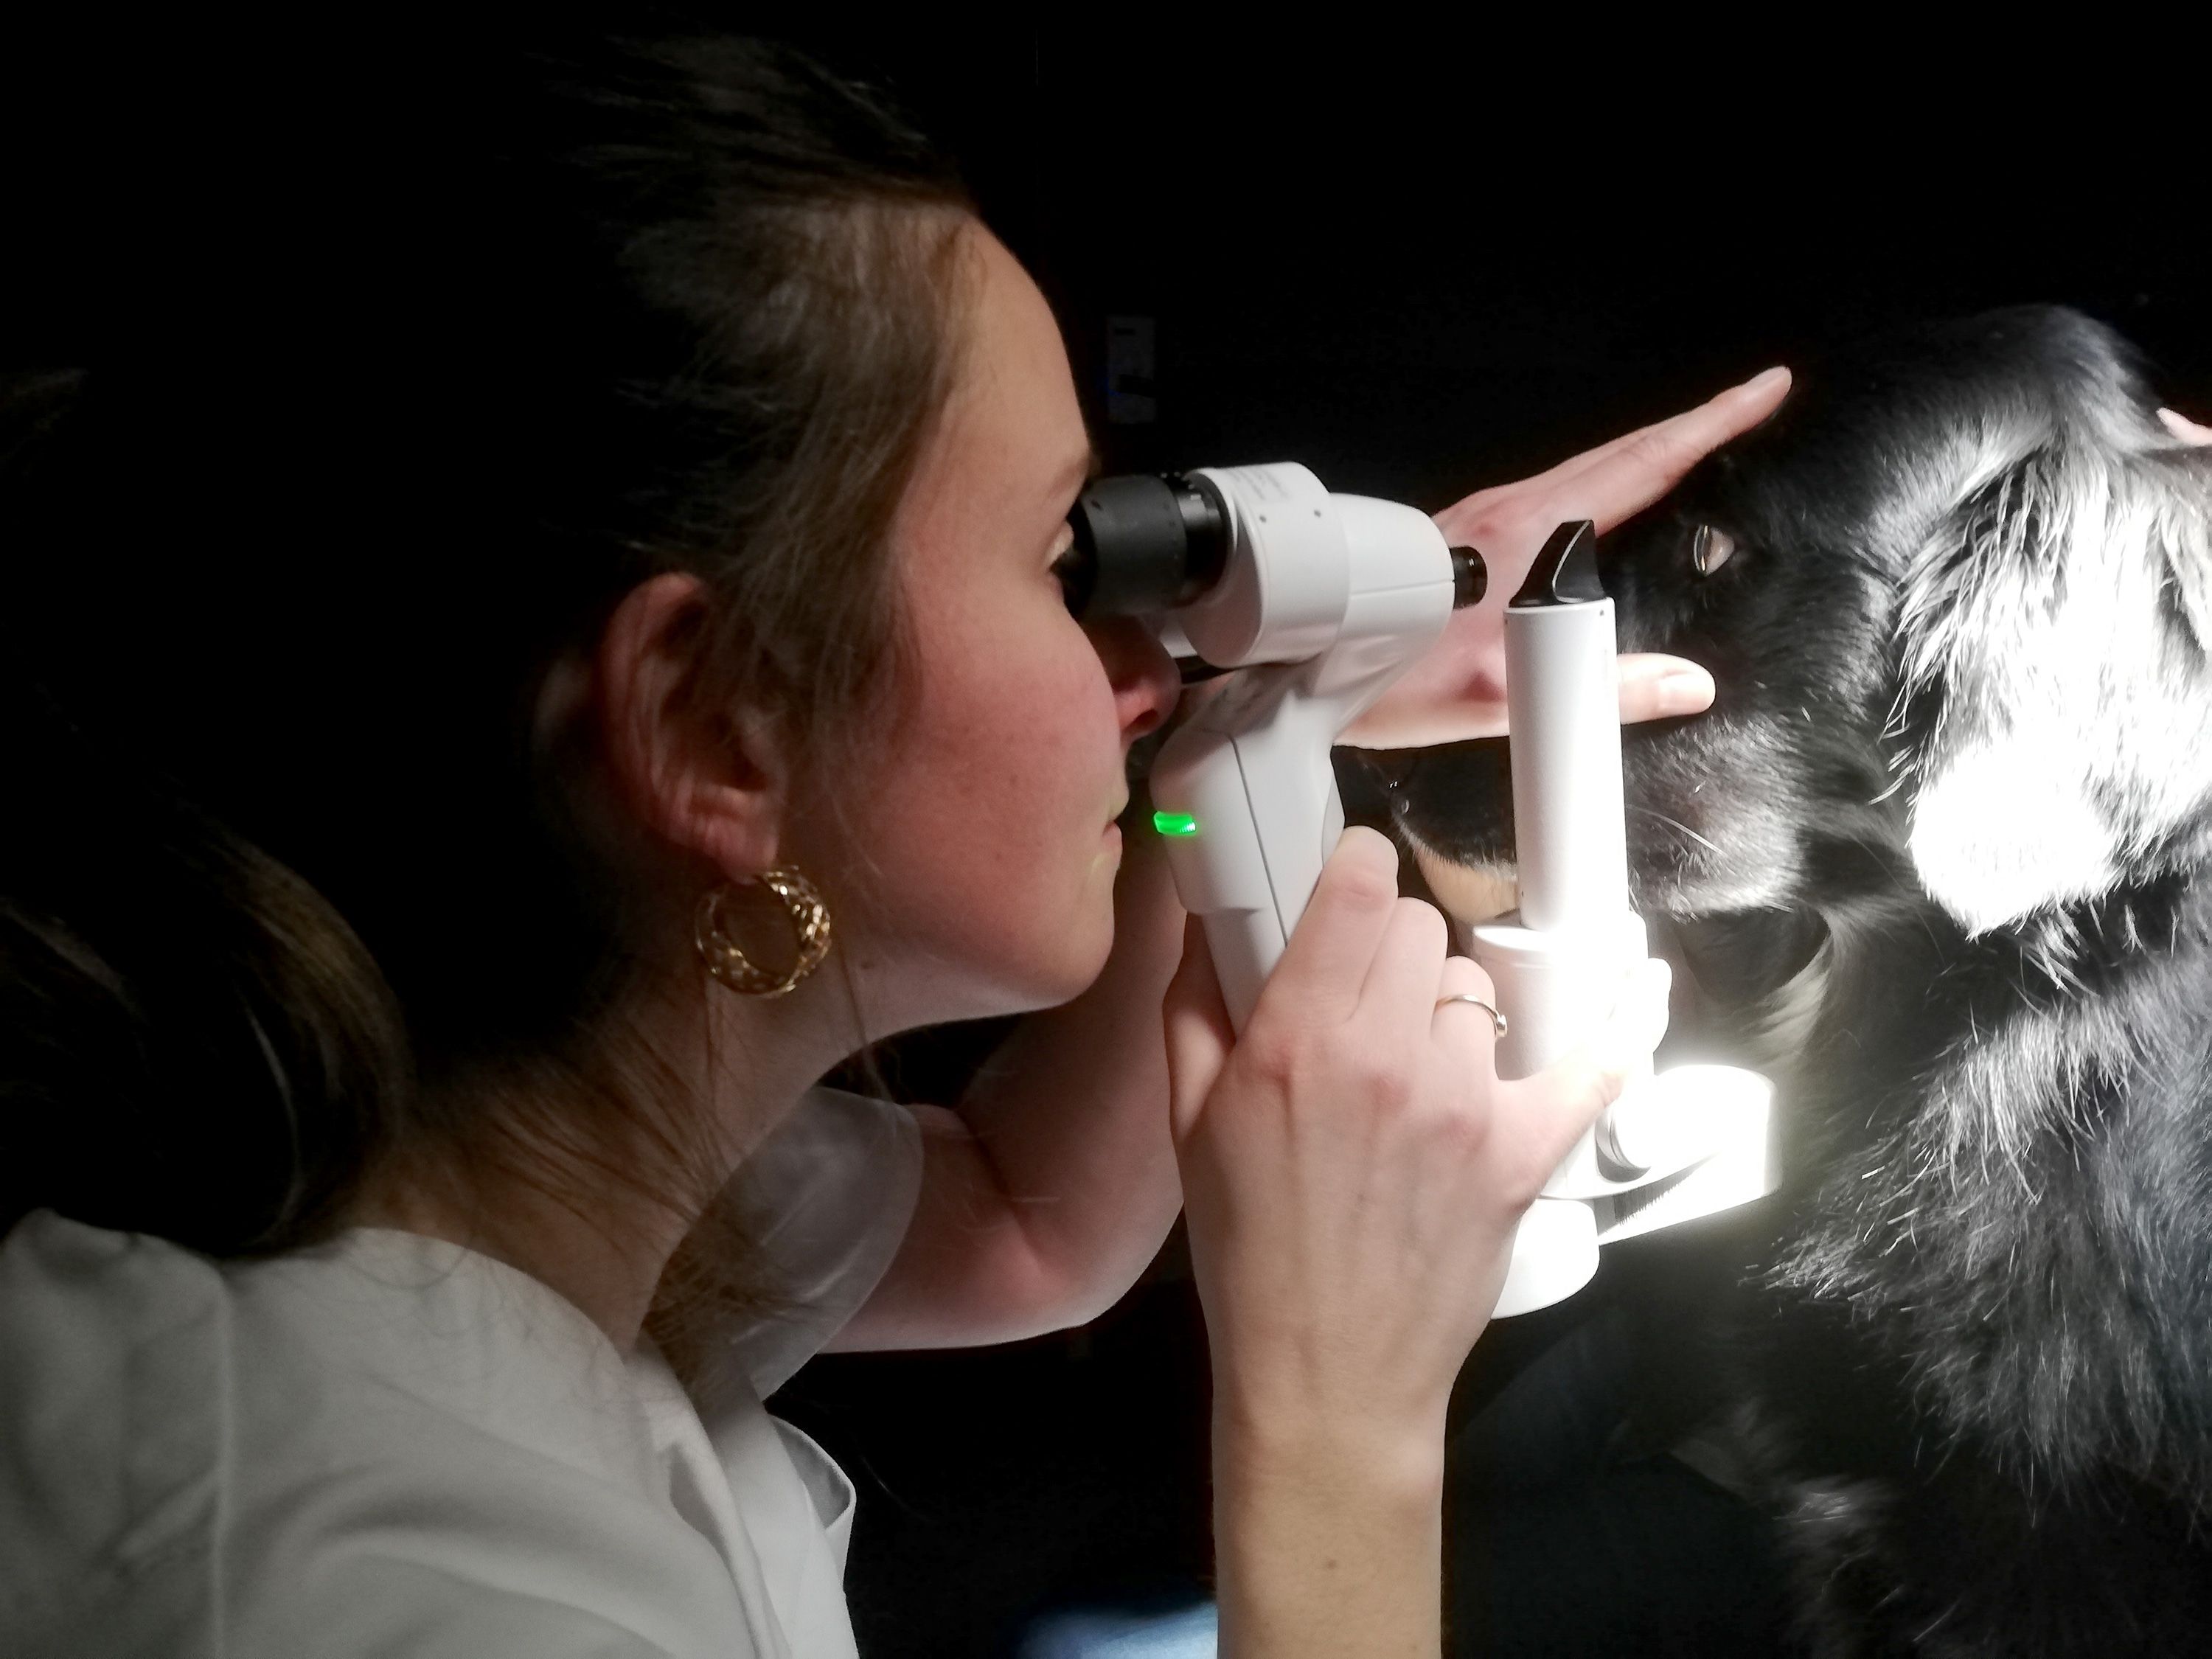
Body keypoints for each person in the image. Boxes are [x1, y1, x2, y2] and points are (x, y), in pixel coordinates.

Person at [0, 31, 1790, 1659]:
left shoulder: (458, 1144)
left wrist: (1279, 697)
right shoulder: (389, 1606)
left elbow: (1029, 1221)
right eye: (1056, 558)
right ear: (712, 727)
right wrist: (1338, 1413)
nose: (1133, 653)